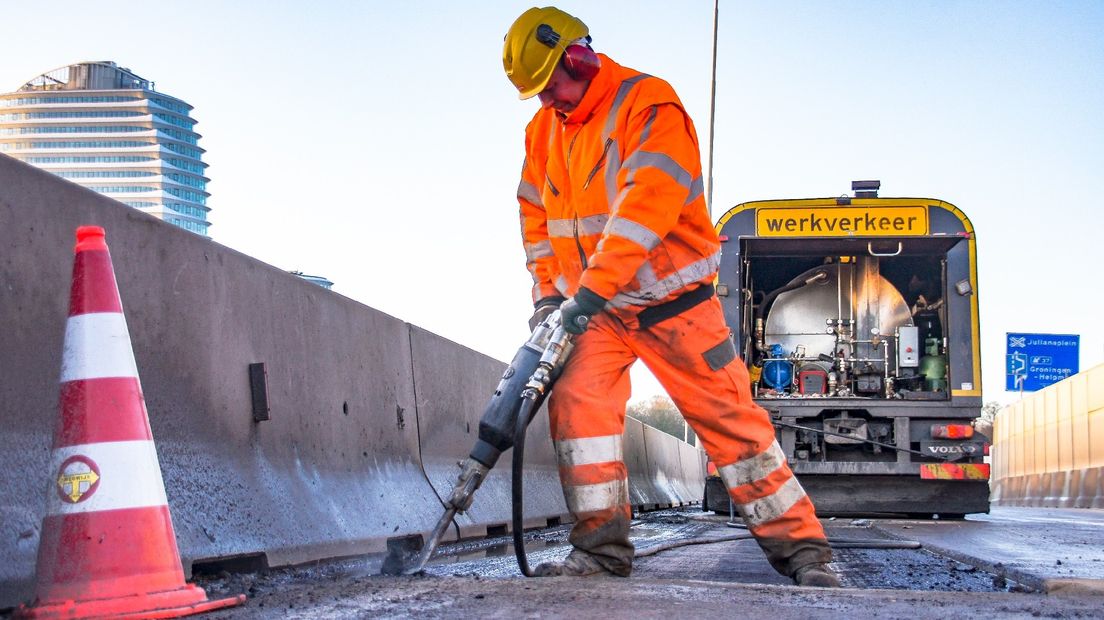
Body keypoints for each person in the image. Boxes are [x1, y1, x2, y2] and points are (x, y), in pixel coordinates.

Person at [502, 7, 839, 587]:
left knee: (733, 428)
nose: (547, 100)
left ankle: (806, 556)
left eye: (551, 84)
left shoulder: (648, 105)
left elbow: (644, 210)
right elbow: (537, 221)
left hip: (672, 302)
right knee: (577, 412)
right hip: (597, 313)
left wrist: (586, 294)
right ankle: (601, 555)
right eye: (536, 93)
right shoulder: (542, 134)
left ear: (579, 56)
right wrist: (547, 298)